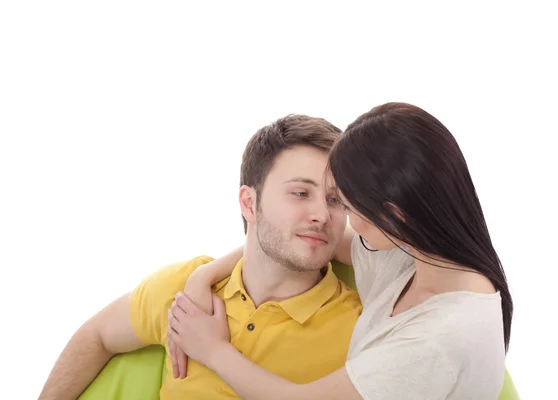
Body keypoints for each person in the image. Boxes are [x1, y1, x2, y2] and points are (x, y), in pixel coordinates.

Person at [168, 102, 513, 399]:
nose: (335, 219)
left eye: (344, 204)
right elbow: (294, 238)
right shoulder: (413, 253)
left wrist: (212, 349)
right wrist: (204, 275)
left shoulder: (440, 339)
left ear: (396, 214)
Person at [38, 115, 363, 400]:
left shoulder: (360, 332)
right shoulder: (185, 290)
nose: (322, 214)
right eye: (300, 193)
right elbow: (96, 335)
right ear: (249, 204)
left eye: (336, 200)